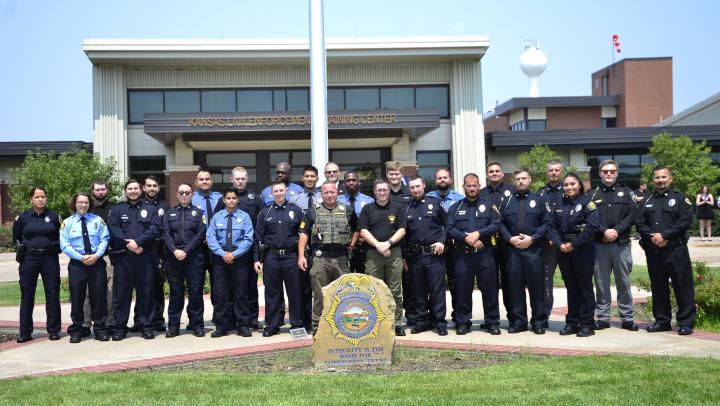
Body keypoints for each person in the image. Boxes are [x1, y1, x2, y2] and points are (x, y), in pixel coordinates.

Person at [636, 166, 696, 335]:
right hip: (654, 251)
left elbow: (685, 221)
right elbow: (639, 222)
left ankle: (685, 323)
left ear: (670, 179)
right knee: (658, 286)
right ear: (653, 180)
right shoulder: (646, 200)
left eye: (664, 177)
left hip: (676, 249)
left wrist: (665, 235)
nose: (660, 180)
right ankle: (662, 321)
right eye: (657, 177)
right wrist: (652, 237)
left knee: (682, 286)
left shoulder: (680, 198)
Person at [298, 181, 359, 333]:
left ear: (337, 192)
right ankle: (317, 326)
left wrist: (351, 244)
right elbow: (304, 234)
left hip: (341, 258)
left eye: (332, 192)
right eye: (326, 192)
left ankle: (343, 324)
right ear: (322, 193)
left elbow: (357, 228)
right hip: (320, 258)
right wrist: (301, 256)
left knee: (342, 293)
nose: (329, 195)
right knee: (319, 293)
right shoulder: (313, 211)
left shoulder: (347, 210)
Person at [587, 159, 639, 331]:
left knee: (623, 281)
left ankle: (627, 318)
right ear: (600, 173)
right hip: (599, 245)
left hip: (621, 244)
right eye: (605, 171)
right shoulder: (592, 194)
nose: (608, 174)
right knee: (601, 283)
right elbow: (588, 217)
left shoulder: (626, 192)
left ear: (617, 173)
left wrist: (616, 230)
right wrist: (603, 231)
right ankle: (602, 318)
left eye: (612, 171)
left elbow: (632, 215)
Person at [107, 179, 161, 341]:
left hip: (145, 257)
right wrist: (129, 244)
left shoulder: (151, 209)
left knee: (146, 293)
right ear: (125, 191)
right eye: (130, 188)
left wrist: (139, 242)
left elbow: (155, 229)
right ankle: (120, 327)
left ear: (141, 190)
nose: (133, 191)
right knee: (122, 294)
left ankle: (147, 326)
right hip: (124, 257)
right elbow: (113, 228)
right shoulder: (117, 210)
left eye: (135, 188)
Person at [447, 173, 502, 335]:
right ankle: (463, 322)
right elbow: (450, 229)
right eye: (468, 185)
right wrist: (467, 238)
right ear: (463, 187)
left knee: (490, 289)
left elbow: (496, 224)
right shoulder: (455, 207)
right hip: (463, 255)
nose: (471, 188)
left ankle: (492, 322)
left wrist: (478, 234)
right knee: (463, 290)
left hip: (485, 255)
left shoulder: (489, 205)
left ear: (479, 186)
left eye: (474, 185)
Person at [214, 166, 267, 330]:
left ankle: (250, 319)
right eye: (237, 178)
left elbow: (261, 225)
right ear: (231, 179)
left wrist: (258, 255)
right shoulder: (222, 200)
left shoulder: (255, 198)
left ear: (247, 179)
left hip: (249, 249)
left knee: (249, 287)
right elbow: (215, 224)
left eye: (243, 178)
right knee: (227, 289)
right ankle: (229, 320)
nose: (240, 181)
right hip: (227, 251)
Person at [547, 173, 600, 337]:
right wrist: (559, 244)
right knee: (571, 288)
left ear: (579, 185)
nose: (569, 187)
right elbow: (551, 227)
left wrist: (573, 244)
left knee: (584, 287)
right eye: (566, 184)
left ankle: (587, 324)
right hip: (563, 250)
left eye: (572, 184)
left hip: (582, 249)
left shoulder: (587, 203)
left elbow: (592, 227)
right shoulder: (559, 204)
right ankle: (572, 323)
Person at [499, 168, 550, 334]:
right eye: (518, 179)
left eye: (524, 178)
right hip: (513, 250)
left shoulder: (539, 200)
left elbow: (546, 223)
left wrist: (533, 238)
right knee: (515, 286)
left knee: (537, 287)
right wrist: (509, 238)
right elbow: (500, 223)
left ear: (530, 179)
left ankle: (538, 322)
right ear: (514, 181)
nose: (521, 181)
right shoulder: (506, 201)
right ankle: (519, 322)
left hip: (533, 250)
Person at [254, 181, 306, 337]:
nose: (279, 193)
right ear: (272, 192)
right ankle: (272, 325)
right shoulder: (265, 212)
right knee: (272, 293)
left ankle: (297, 324)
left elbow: (304, 235)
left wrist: (302, 256)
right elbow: (258, 238)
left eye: (281, 190)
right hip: (272, 257)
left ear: (286, 191)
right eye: (276, 190)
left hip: (291, 256)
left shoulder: (296, 211)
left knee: (295, 292)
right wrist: (257, 259)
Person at [12, 187, 62, 343]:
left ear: (47, 198)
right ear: (31, 199)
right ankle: (25, 332)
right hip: (29, 259)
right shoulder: (23, 218)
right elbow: (16, 238)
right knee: (27, 294)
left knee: (52, 294)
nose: (40, 199)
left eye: (43, 196)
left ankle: (53, 330)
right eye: (37, 197)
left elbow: (62, 237)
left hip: (49, 259)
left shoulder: (54, 217)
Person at [60, 192, 110, 343]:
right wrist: (81, 257)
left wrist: (97, 255)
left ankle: (100, 328)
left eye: (86, 202)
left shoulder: (98, 220)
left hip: (97, 262)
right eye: (80, 202)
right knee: (77, 298)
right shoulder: (67, 223)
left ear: (90, 204)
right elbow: (65, 245)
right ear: (74, 204)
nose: (83, 205)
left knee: (99, 297)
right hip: (77, 264)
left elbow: (105, 238)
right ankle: (77, 329)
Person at [359, 178, 408, 335]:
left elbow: (402, 229)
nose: (382, 192)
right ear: (374, 191)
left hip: (394, 252)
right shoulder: (367, 209)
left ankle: (397, 322)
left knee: (395, 289)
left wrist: (388, 243)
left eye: (384, 190)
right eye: (379, 190)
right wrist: (379, 245)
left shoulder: (398, 207)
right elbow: (363, 231)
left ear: (389, 190)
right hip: (373, 254)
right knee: (373, 288)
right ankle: (375, 322)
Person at [206, 189, 254, 337]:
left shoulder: (245, 217)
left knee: (241, 293)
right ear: (224, 200)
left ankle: (243, 325)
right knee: (221, 293)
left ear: (237, 200)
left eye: (234, 198)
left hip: (239, 259)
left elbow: (248, 239)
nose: (232, 200)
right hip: (220, 260)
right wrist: (223, 254)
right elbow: (211, 238)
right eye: (229, 198)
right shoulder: (217, 217)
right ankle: (222, 325)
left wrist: (234, 254)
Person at [162, 183, 207, 338]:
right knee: (176, 293)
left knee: (195, 292)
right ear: (177, 194)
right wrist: (175, 250)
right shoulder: (170, 213)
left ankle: (197, 325)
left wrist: (185, 251)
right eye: (181, 192)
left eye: (187, 192)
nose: (184, 195)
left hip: (194, 257)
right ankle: (173, 326)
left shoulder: (199, 213)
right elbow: (166, 234)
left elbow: (201, 234)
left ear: (192, 194)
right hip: (174, 257)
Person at [404, 176, 448, 336]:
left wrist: (442, 241)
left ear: (423, 186)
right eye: (412, 188)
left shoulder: (435, 203)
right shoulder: (407, 208)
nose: (415, 190)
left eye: (418, 186)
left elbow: (448, 224)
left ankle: (439, 322)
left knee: (437, 290)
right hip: (415, 257)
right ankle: (421, 321)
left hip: (434, 255)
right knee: (419, 291)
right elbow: (404, 233)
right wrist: (404, 256)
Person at [127, 175, 170, 333]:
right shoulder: (139, 205)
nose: (152, 188)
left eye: (155, 186)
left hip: (160, 251)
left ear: (158, 188)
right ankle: (139, 320)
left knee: (157, 287)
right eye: (149, 186)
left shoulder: (165, 206)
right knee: (142, 288)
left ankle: (158, 320)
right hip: (142, 249)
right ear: (143, 188)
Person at [478, 161, 515, 328]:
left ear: (502, 173)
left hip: (509, 244)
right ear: (487, 174)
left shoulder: (512, 191)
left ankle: (514, 318)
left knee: (510, 282)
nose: (494, 173)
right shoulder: (480, 193)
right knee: (489, 284)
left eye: (497, 171)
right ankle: (491, 319)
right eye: (491, 171)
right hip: (488, 245)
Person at [426, 167, 464, 325]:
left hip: (455, 247)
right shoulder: (428, 197)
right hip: (435, 248)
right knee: (434, 283)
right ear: (435, 181)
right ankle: (435, 316)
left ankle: (458, 315)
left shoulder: (459, 198)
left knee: (456, 282)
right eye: (439, 178)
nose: (442, 180)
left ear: (450, 179)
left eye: (445, 177)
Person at [191, 169, 223, 327]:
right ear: (196, 182)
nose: (204, 181)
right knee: (196, 285)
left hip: (216, 248)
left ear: (211, 181)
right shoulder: (191, 198)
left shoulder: (220, 198)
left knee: (218, 284)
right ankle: (195, 321)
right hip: (198, 248)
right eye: (201, 179)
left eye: (207, 179)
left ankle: (219, 318)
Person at [82, 179, 115, 332]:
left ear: (106, 190)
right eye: (97, 190)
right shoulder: (86, 208)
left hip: (108, 256)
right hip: (88, 256)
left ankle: (109, 322)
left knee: (110, 291)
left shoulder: (114, 208)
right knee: (87, 291)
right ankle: (85, 323)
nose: (100, 192)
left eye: (103, 189)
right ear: (92, 191)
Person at [385, 160, 415, 326]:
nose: (394, 176)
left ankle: (411, 314)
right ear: (387, 176)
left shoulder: (409, 192)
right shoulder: (384, 193)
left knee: (409, 282)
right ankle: (391, 314)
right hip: (392, 243)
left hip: (409, 242)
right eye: (391, 174)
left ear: (401, 175)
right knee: (391, 283)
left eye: (397, 173)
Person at [537, 159, 563, 328]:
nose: (553, 173)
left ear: (561, 172)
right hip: (547, 245)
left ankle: (579, 316)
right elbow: (538, 219)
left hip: (569, 244)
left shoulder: (569, 190)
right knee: (546, 281)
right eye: (551, 170)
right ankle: (544, 316)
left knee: (576, 281)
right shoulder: (540, 194)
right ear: (547, 172)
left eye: (556, 170)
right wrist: (549, 237)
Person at [337, 171, 374, 274]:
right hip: (344, 246)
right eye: (348, 180)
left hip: (364, 246)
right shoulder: (337, 201)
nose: (351, 183)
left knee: (363, 279)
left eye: (354, 180)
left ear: (359, 182)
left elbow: (373, 223)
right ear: (344, 183)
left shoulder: (369, 201)